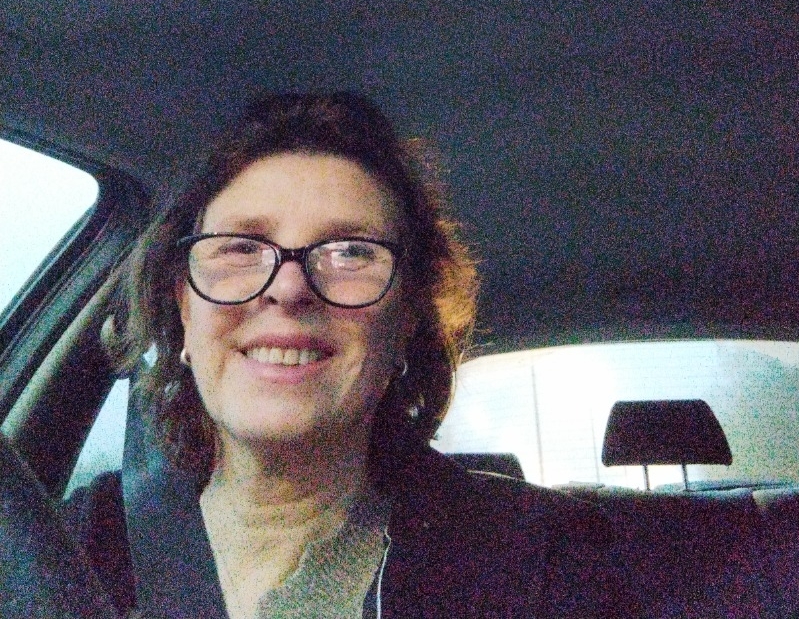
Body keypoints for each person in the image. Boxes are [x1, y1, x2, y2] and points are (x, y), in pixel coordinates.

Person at [65, 91, 634, 618]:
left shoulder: (542, 564)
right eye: (240, 246)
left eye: (350, 253)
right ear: (184, 310)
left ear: (406, 322)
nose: (288, 288)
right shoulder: (74, 542)